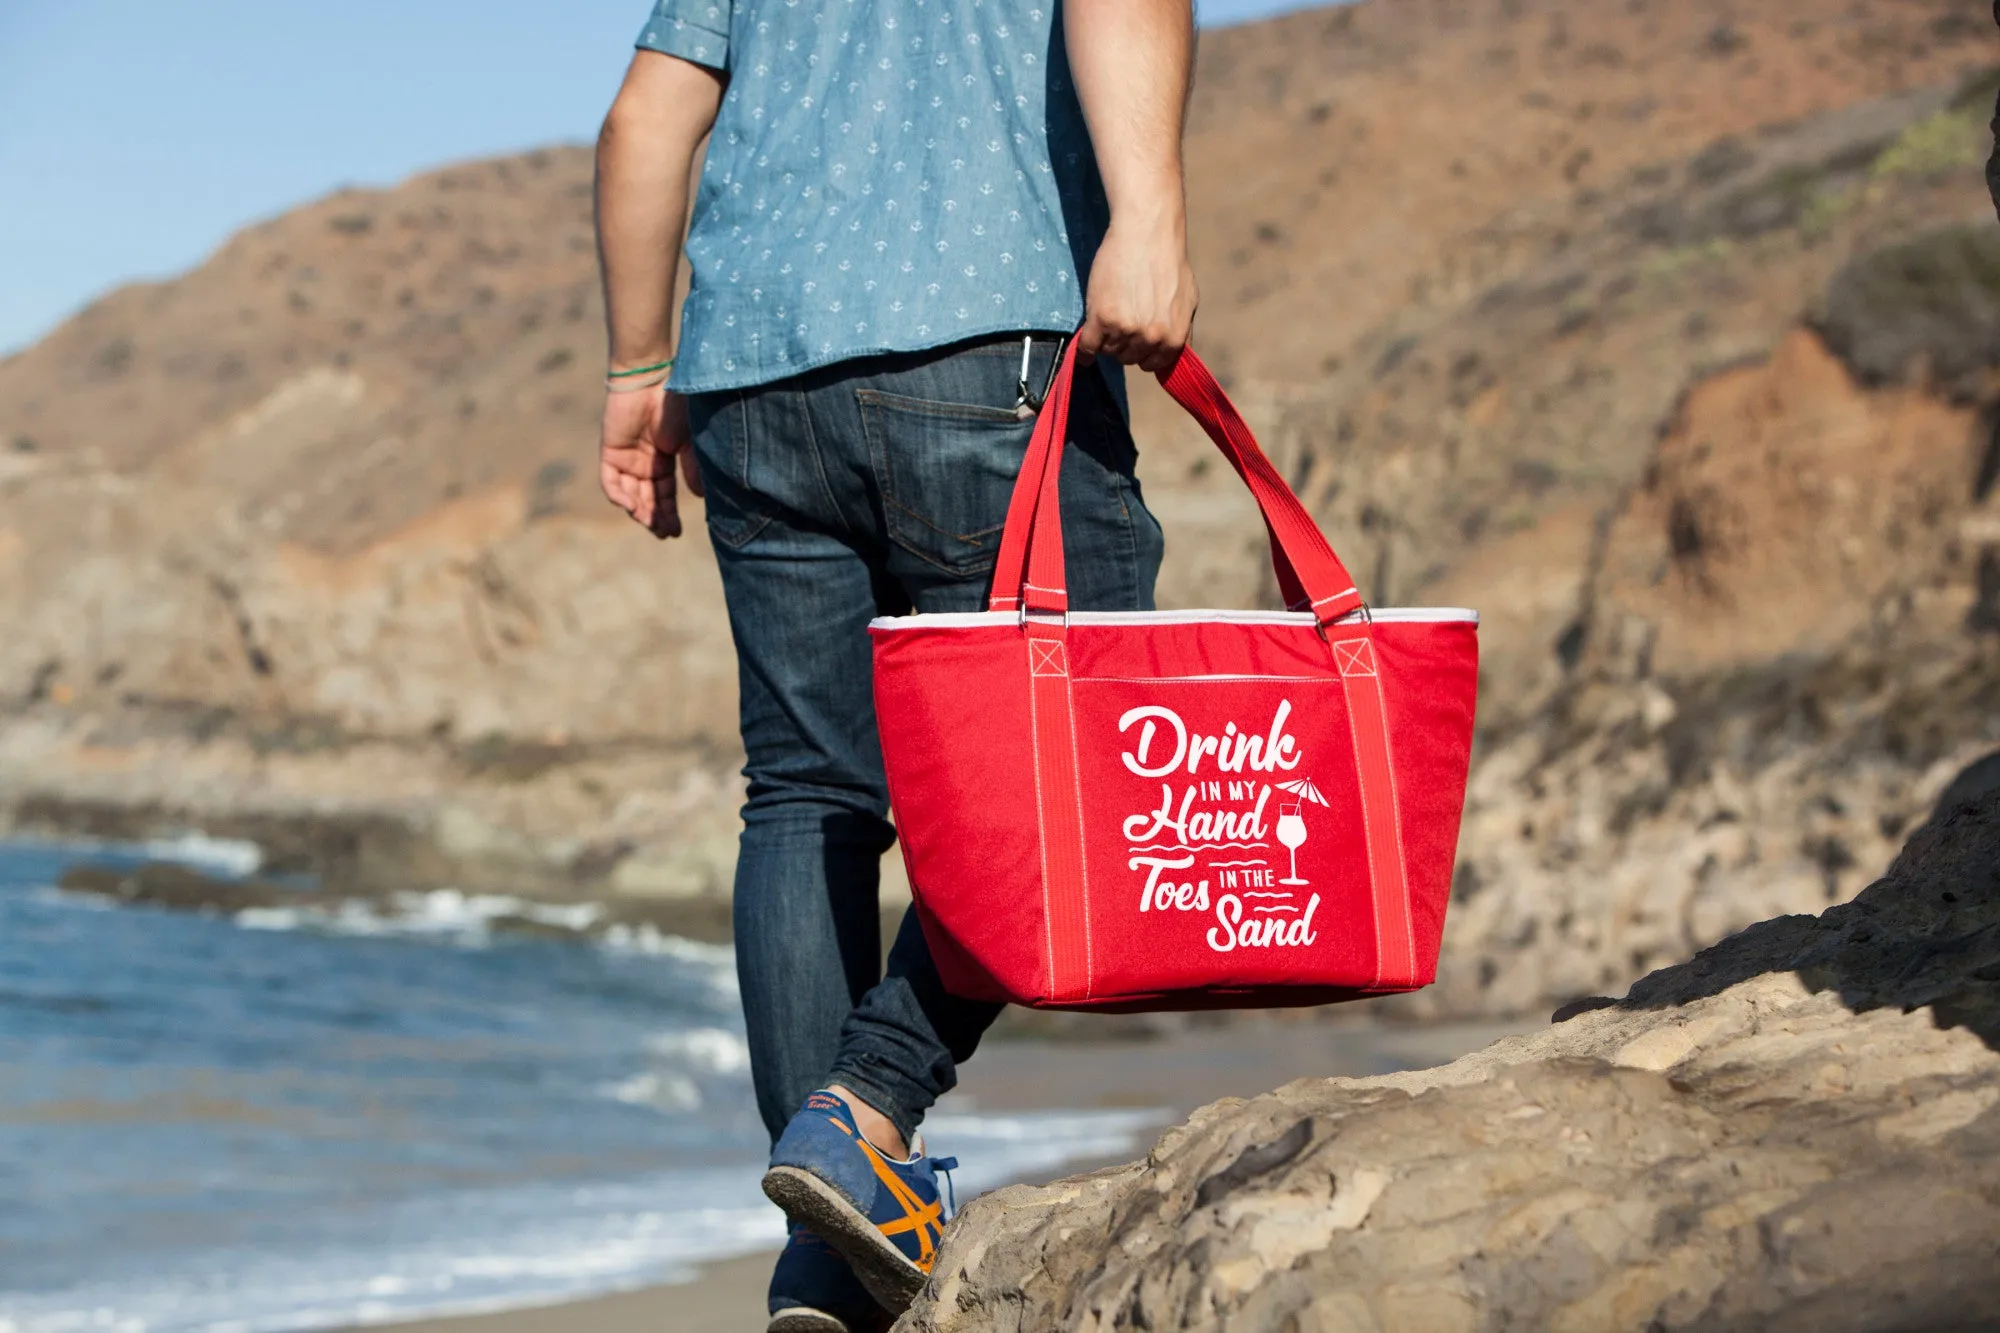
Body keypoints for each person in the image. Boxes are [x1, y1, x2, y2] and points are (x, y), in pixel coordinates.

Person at [593, 1, 1198, 1327]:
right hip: (991, 339)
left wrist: (638, 365)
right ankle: (868, 1104)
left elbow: (647, 116)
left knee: (807, 793)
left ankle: (830, 1258)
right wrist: (1146, 220)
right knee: (1094, 755)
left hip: (752, 379)